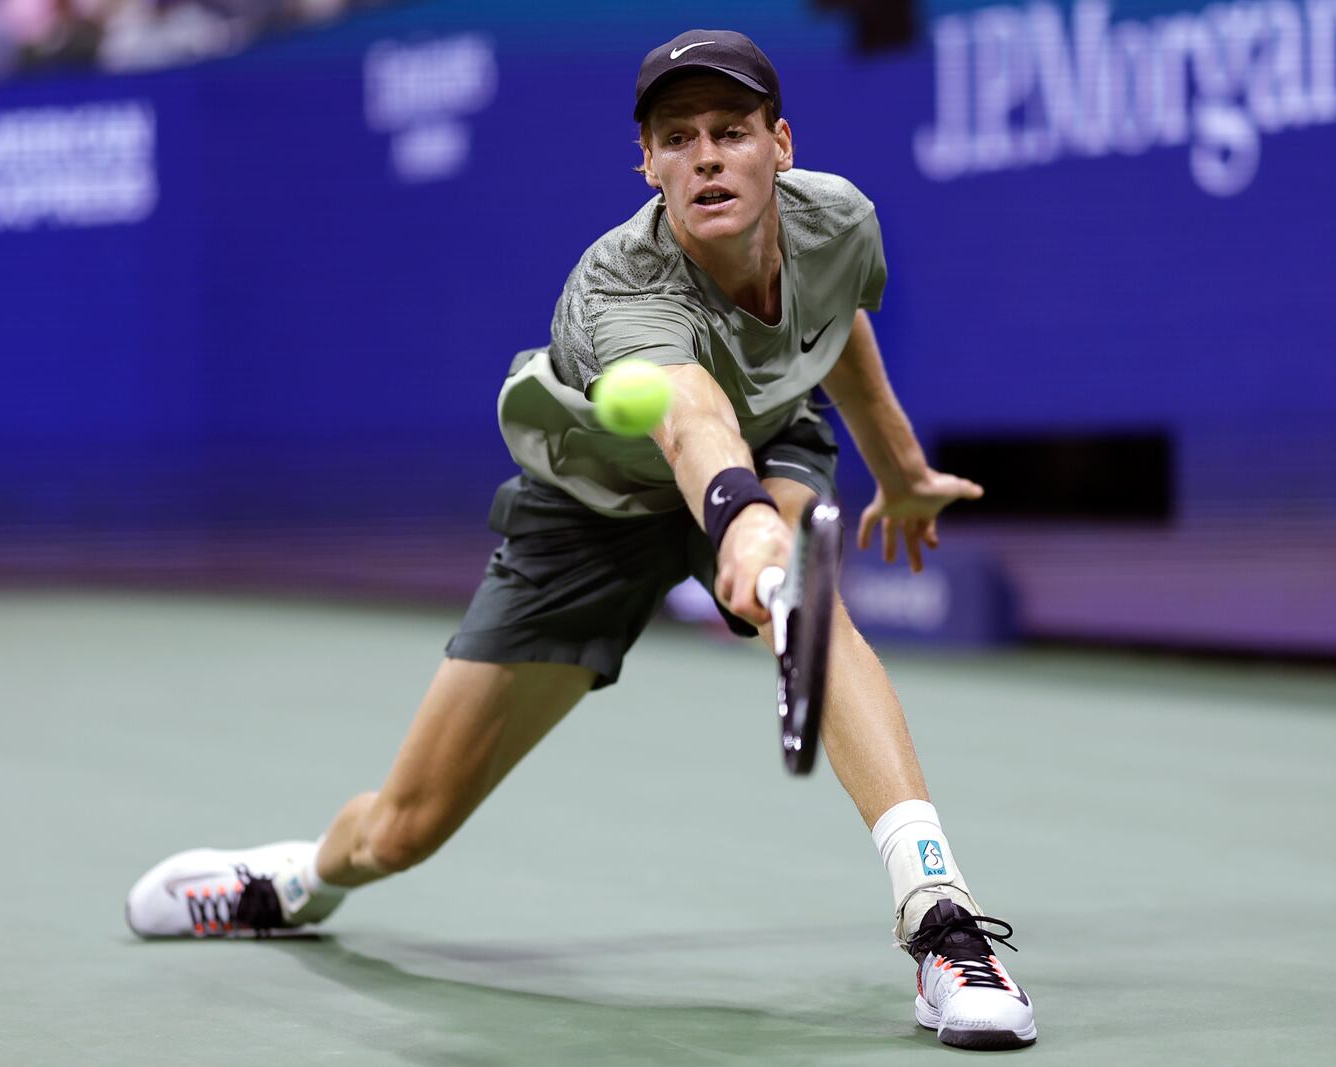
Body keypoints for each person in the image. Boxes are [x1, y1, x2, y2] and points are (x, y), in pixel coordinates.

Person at [124, 29, 1036, 1052]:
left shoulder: (839, 220)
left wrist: (900, 468)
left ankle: (942, 920)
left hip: (770, 439)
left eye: (730, 132)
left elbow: (836, 324)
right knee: (408, 824)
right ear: (646, 164)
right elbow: (692, 421)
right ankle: (286, 883)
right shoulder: (618, 283)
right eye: (676, 138)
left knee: (811, 618)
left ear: (779, 143)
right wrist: (737, 520)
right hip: (591, 507)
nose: (705, 156)